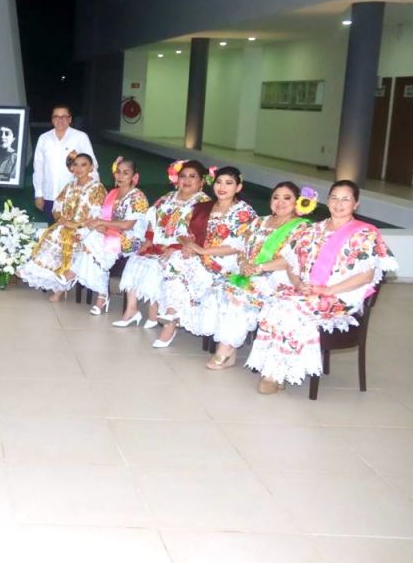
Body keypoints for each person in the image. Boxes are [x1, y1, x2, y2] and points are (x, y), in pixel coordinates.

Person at [245, 180, 396, 394]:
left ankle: (273, 374)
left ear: (356, 204)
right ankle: (277, 369)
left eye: (346, 199)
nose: (339, 203)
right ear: (328, 201)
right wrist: (297, 283)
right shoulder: (313, 229)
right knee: (275, 302)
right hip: (306, 291)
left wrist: (328, 291)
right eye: (334, 197)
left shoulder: (364, 234)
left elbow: (366, 276)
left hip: (339, 296)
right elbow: (291, 262)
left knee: (289, 309)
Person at [206, 181, 310, 370]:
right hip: (250, 272)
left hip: (278, 276)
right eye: (276, 197)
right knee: (220, 286)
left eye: (287, 198)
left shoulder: (301, 227)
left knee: (239, 292)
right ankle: (230, 345)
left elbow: (290, 260)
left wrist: (259, 268)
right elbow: (242, 250)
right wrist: (245, 263)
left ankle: (225, 348)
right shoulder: (258, 222)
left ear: (297, 202)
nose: (280, 202)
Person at [152, 166, 256, 348]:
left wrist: (201, 251)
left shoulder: (244, 212)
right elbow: (183, 233)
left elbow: (238, 246)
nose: (222, 187)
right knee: (176, 259)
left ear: (238, 188)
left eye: (229, 183)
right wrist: (188, 244)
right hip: (199, 256)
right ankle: (172, 312)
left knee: (180, 263)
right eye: (219, 182)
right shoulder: (203, 207)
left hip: (225, 262)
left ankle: (171, 320)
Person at [114, 159, 210, 329]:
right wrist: (149, 240)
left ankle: (154, 313)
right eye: (183, 176)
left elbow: (201, 234)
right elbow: (153, 220)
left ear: (202, 181)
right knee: (135, 260)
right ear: (176, 179)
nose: (186, 180)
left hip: (184, 249)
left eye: (192, 176)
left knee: (157, 265)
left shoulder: (204, 203)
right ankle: (131, 310)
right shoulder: (167, 197)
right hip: (158, 243)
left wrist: (175, 247)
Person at [18, 153, 105, 301]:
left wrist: (75, 224)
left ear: (91, 167)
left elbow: (97, 215)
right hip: (66, 225)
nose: (78, 168)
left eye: (83, 165)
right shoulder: (70, 185)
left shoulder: (97, 188)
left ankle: (60, 287)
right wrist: (62, 219)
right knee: (54, 233)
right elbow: (57, 206)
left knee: (63, 237)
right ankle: (56, 286)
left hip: (86, 229)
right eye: (75, 165)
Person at [71, 156, 149, 315]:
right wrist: (97, 224)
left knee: (92, 243)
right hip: (111, 232)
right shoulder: (113, 193)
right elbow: (104, 218)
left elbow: (128, 225)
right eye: (118, 172)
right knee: (87, 236)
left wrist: (102, 225)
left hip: (130, 238)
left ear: (135, 177)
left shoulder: (137, 196)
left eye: (125, 173)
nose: (120, 176)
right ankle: (102, 295)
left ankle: (75, 275)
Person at [32, 105, 97, 218]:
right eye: (56, 117)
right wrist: (38, 194)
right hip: (49, 195)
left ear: (70, 119)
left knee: (73, 231)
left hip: (75, 195)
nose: (60, 120)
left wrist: (93, 191)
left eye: (64, 116)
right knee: (52, 230)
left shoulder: (80, 137)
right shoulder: (44, 138)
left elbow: (92, 165)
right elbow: (38, 168)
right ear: (52, 119)